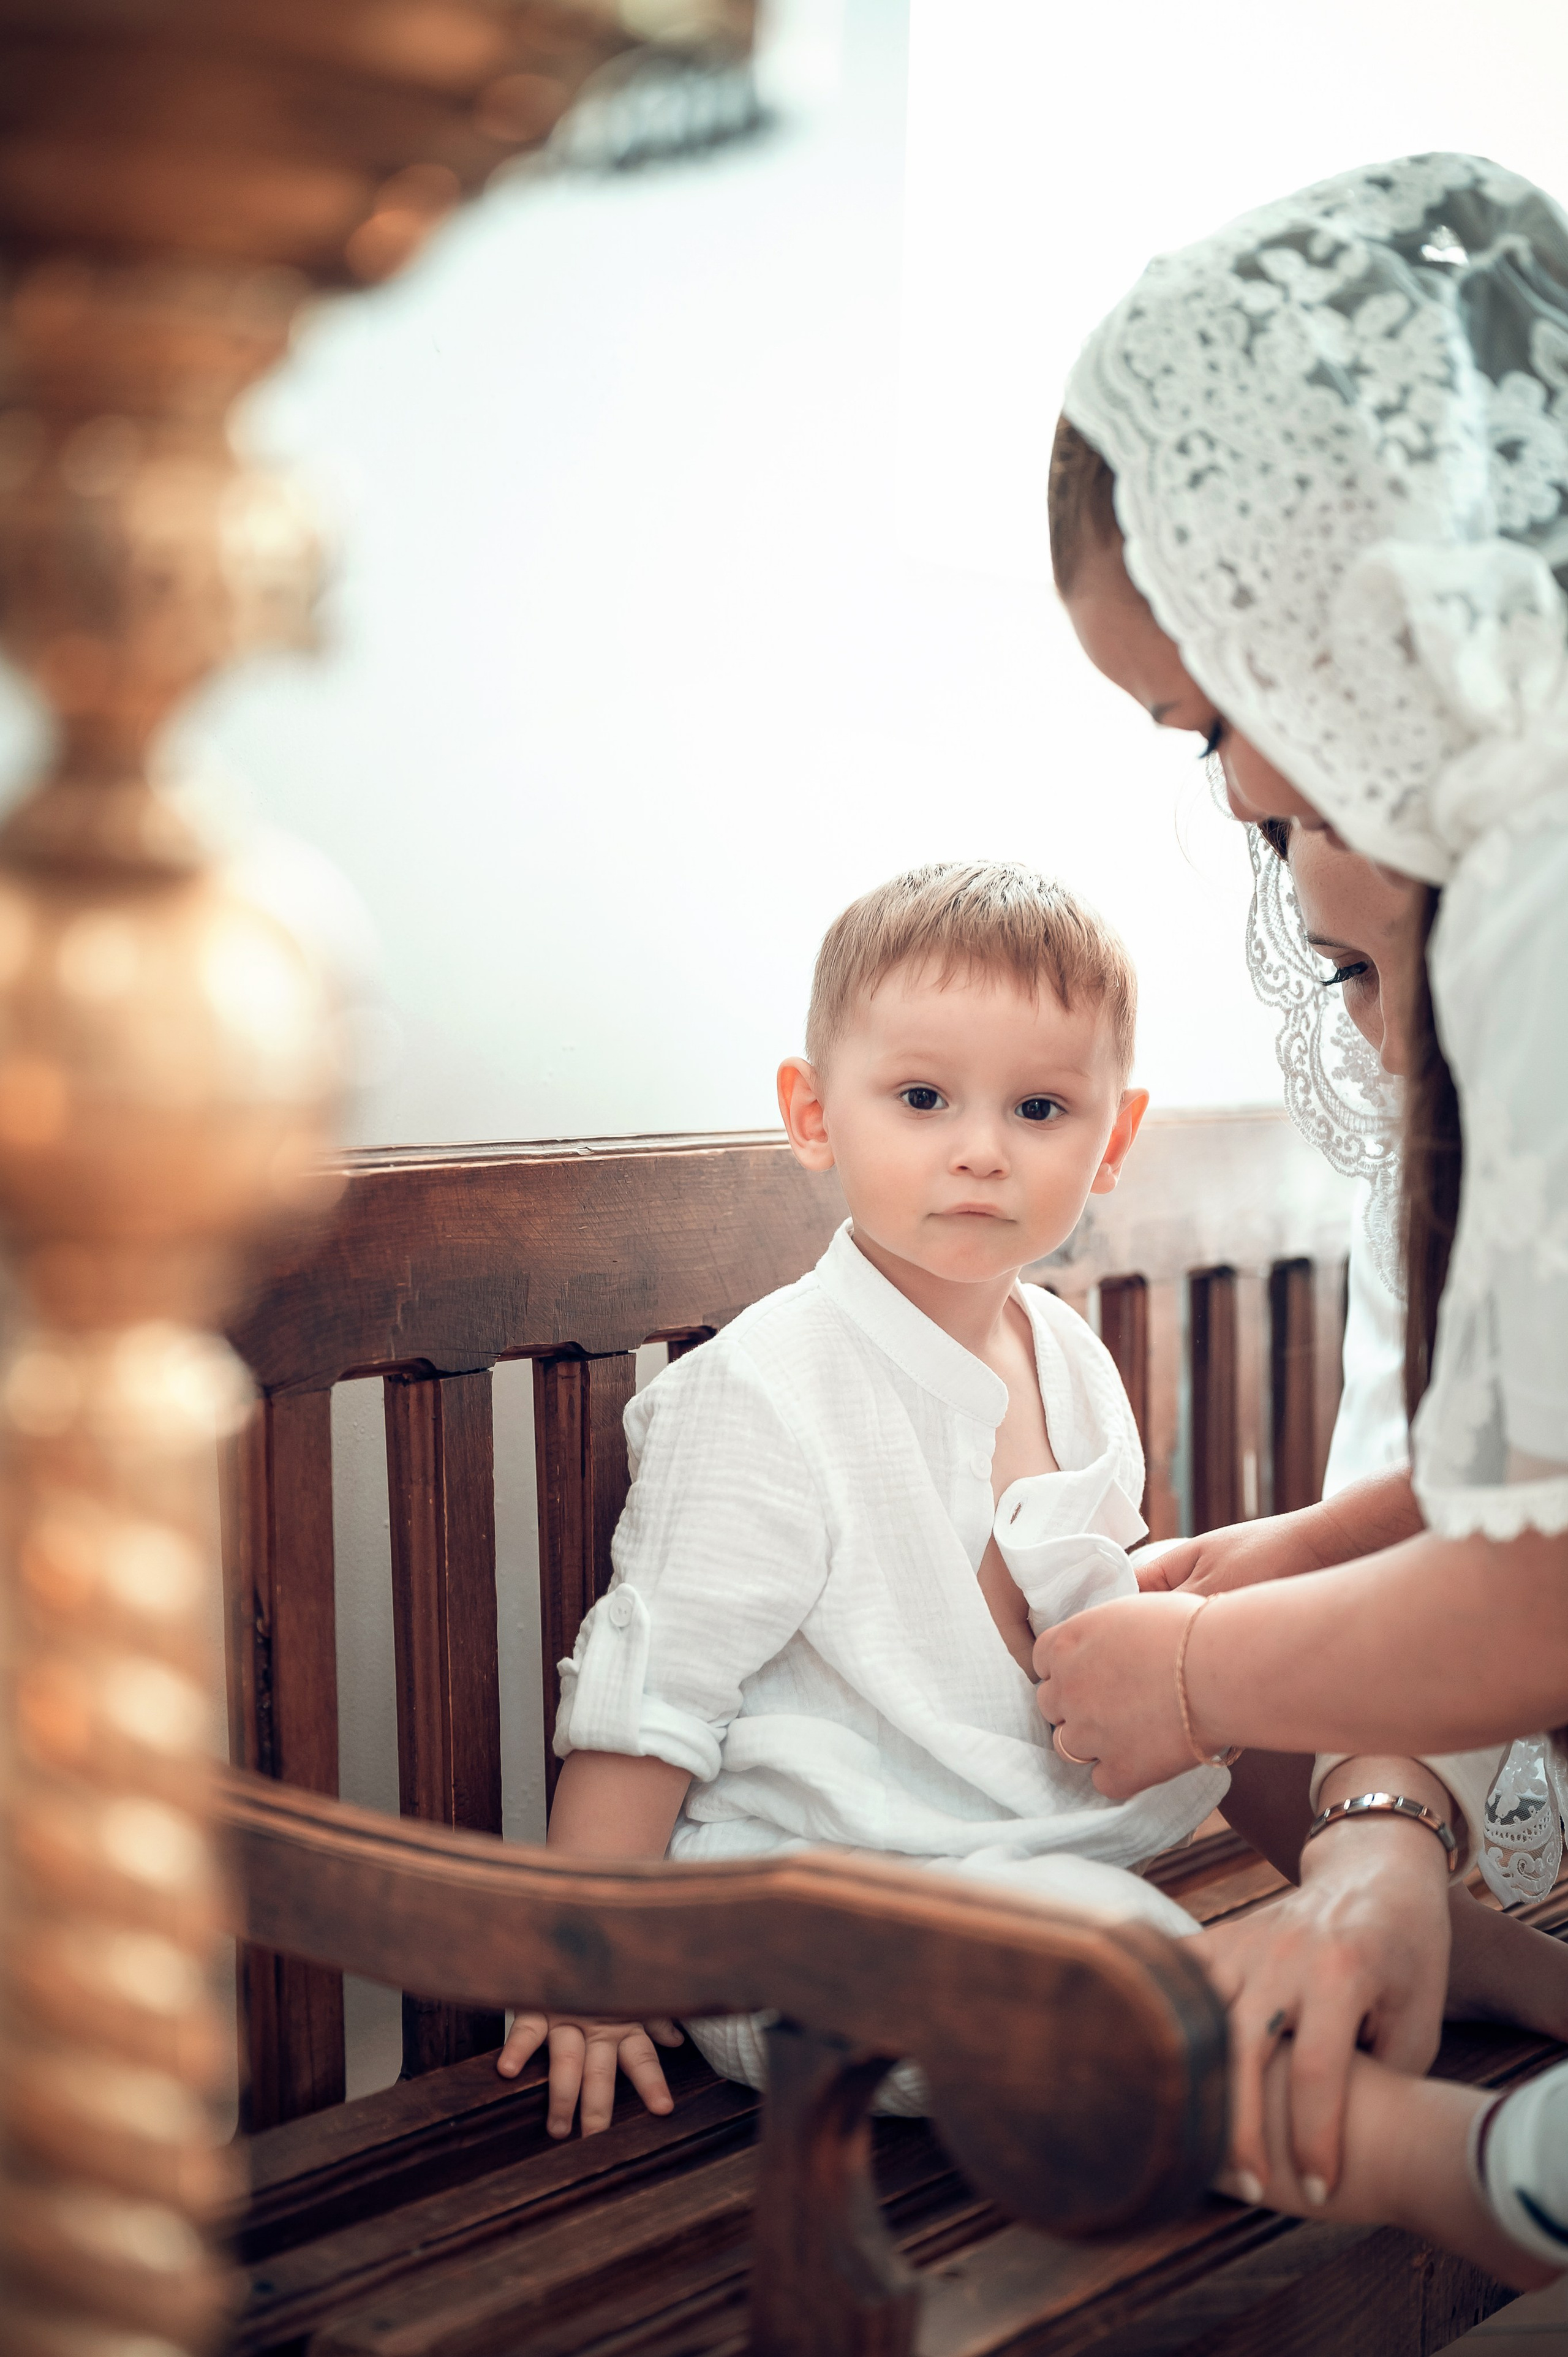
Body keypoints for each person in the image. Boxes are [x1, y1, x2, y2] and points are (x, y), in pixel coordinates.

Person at [1036, 151, 1568, 2276]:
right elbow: (1522, 1472)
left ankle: (1445, 2162)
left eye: (1216, 717)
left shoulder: (1531, 894)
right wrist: (1325, 1548)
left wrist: (1193, 1664)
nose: (1244, 798)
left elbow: (1542, 1584)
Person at [496, 859, 1235, 2136]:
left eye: (1040, 1108)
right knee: (1128, 1988)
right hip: (808, 1913)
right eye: (922, 1097)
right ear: (814, 1114)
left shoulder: (1068, 1357)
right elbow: (651, 1697)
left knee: (1307, 1711)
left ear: (1112, 1140)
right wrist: (587, 1966)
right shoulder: (768, 1389)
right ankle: (1369, 2139)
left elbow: (1097, 1617)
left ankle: (1388, 1993)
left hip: (1021, 1856)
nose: (980, 1149)